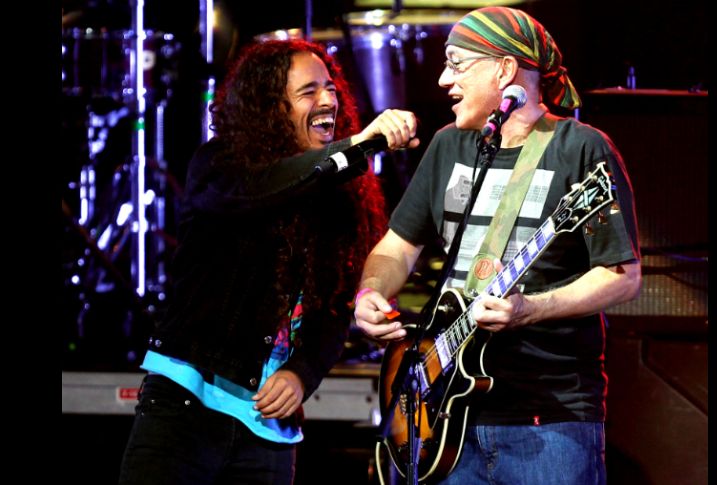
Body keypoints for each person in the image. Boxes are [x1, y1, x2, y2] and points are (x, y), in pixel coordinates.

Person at [353, 7, 641, 485]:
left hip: (548, 420)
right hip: (445, 417)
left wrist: (531, 308)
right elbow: (395, 248)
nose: (444, 79)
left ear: (505, 70)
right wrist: (371, 293)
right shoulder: (447, 145)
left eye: (457, 64)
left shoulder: (581, 148)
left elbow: (623, 277)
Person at [118, 39, 419, 485]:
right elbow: (271, 187)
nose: (327, 99)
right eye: (309, 92)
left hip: (268, 427)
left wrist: (301, 374)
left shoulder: (340, 198)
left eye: (331, 88)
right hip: (186, 406)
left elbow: (333, 310)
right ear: (271, 108)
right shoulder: (221, 165)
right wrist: (358, 146)